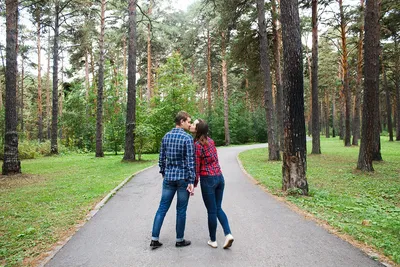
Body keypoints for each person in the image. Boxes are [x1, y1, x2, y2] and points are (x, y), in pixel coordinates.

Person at [150, 111, 195, 249]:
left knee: (162, 208)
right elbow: (190, 161)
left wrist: (164, 172)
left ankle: (154, 239)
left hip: (169, 178)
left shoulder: (166, 136)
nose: (189, 124)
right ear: (181, 121)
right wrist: (191, 180)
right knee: (181, 210)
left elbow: (161, 158)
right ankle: (179, 240)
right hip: (183, 179)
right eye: (188, 121)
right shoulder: (187, 138)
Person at [193, 119, 234, 249]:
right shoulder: (211, 141)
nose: (192, 125)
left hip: (208, 179)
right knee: (218, 208)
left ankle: (213, 240)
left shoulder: (197, 145)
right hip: (219, 177)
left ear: (198, 130)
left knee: (211, 211)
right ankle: (228, 234)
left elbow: (197, 167)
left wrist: (194, 182)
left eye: (194, 124)